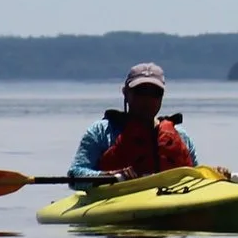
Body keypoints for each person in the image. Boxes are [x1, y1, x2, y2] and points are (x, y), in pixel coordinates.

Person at [71, 63, 203, 182]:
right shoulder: (101, 132)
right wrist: (109, 176)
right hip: (114, 200)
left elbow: (198, 175)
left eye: (154, 93)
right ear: (126, 93)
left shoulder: (181, 136)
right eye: (140, 92)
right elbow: (75, 174)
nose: (147, 100)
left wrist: (217, 174)